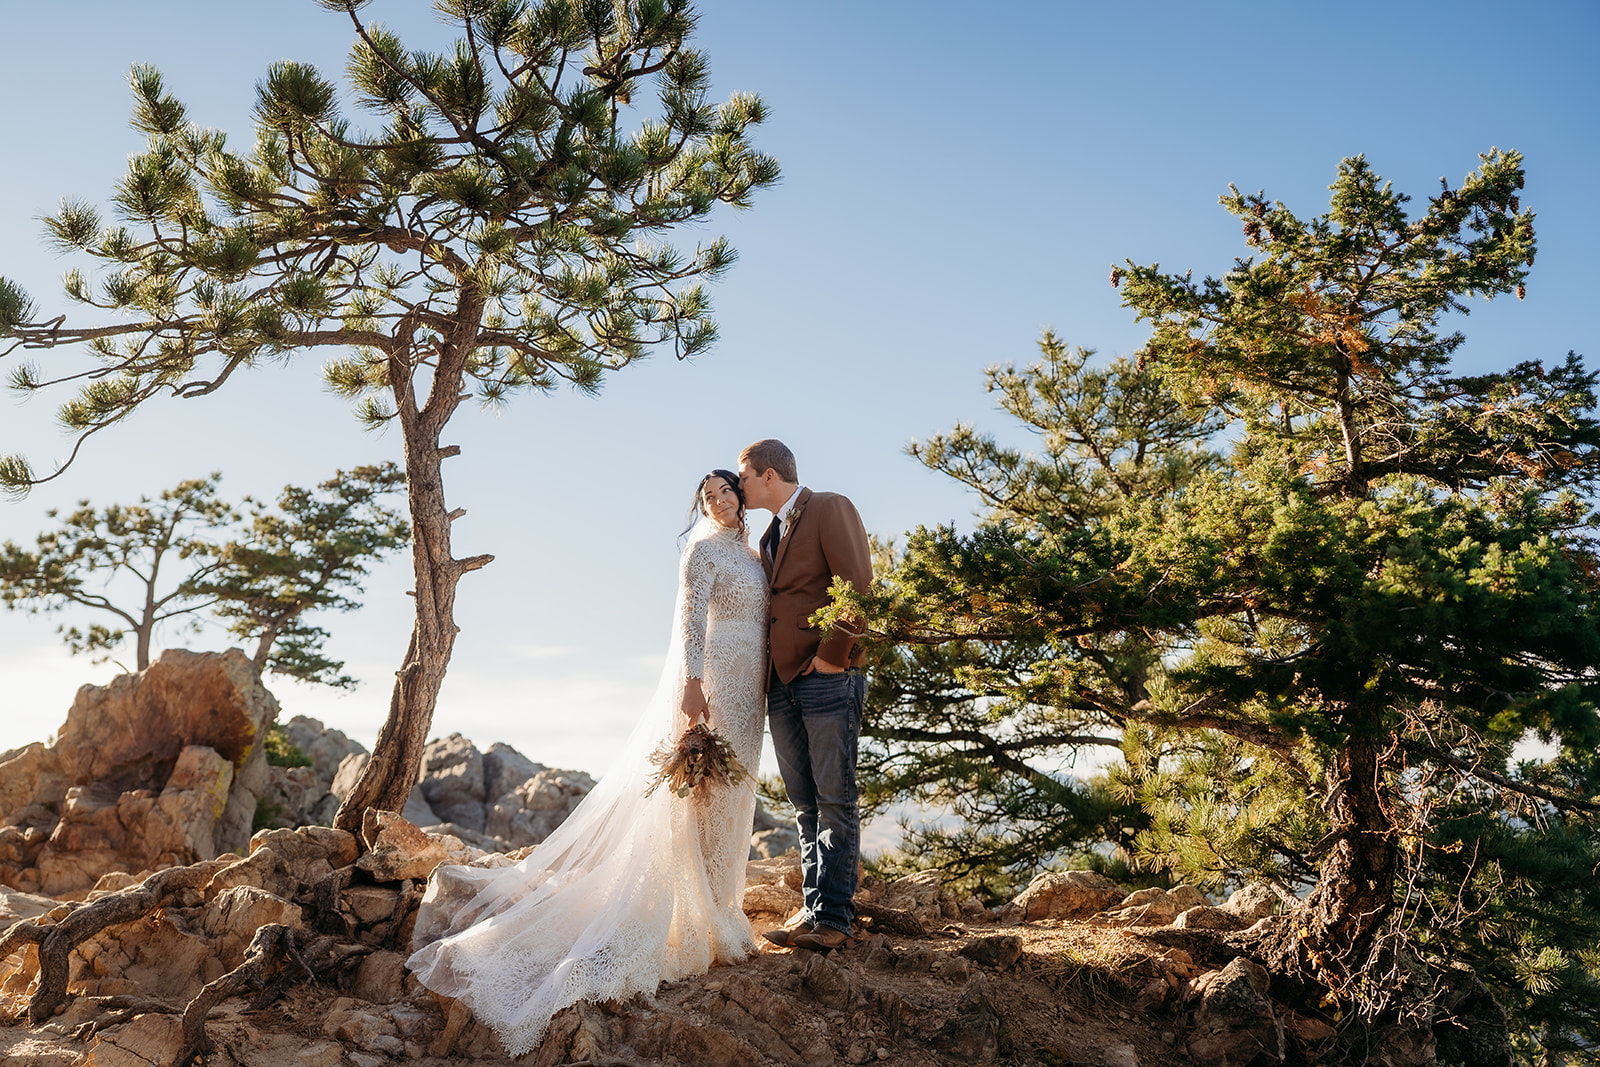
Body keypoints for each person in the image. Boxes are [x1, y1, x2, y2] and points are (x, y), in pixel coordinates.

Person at [406, 470, 769, 1057]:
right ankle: (700, 918)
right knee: (706, 795)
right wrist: (694, 685)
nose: (719, 501)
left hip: (753, 687)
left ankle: (724, 908)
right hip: (718, 681)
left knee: (737, 795)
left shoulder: (754, 553)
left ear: (743, 494)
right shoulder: (700, 551)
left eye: (725, 490)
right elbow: (689, 621)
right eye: (707, 497)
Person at [737, 439, 872, 952]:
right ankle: (814, 914)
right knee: (805, 806)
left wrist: (833, 655)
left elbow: (857, 583)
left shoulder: (829, 507)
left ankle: (835, 921)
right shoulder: (769, 534)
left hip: (827, 677)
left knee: (835, 799)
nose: (740, 483)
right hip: (783, 684)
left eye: (744, 475)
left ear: (769, 475)